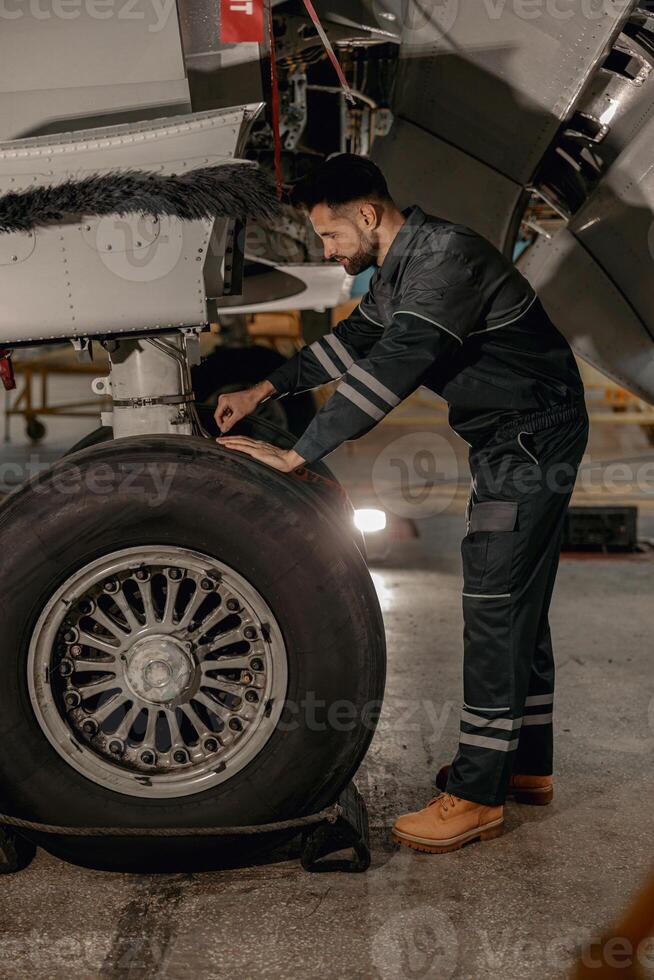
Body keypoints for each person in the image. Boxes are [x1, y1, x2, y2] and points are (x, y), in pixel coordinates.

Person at [215, 153, 589, 854]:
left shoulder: (446, 260)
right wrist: (264, 391)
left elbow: (393, 366)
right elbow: (352, 345)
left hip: (531, 437)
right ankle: (526, 767)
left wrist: (299, 452)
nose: (326, 251)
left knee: (494, 602)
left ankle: (477, 795)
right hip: (514, 434)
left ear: (366, 213)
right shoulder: (399, 269)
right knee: (519, 602)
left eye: (329, 237)